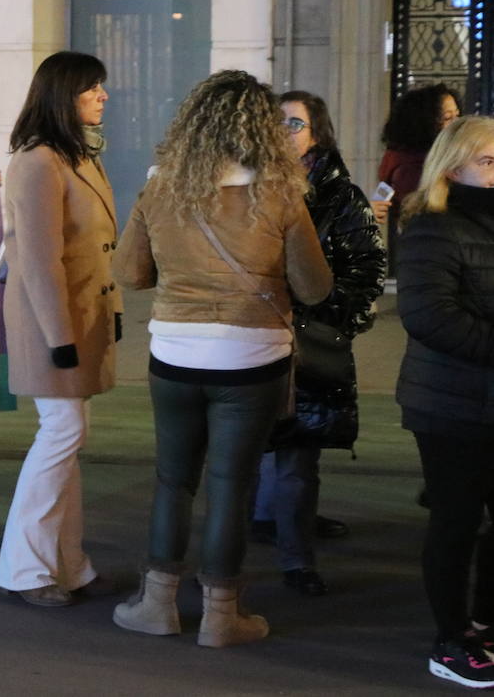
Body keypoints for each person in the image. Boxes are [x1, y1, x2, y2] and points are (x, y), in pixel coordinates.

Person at [111, 70, 331, 647]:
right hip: (252, 359)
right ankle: (221, 616)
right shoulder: (280, 194)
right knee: (231, 485)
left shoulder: (162, 189)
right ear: (262, 129)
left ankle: (157, 604)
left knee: (173, 480)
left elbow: (129, 273)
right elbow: (314, 287)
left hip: (175, 354)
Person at [0, 51, 120, 608]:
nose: (103, 96)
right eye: (92, 88)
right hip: (50, 322)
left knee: (68, 433)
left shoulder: (76, 155)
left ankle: (68, 564)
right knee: (62, 432)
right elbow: (40, 261)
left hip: (79, 317)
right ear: (64, 96)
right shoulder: (38, 161)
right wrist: (60, 339)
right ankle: (26, 568)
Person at [250, 91, 385, 597]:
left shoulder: (339, 195)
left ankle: (296, 560)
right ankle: (252, 534)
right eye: (277, 122)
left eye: (295, 124)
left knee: (298, 455)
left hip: (309, 341)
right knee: (250, 449)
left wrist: (333, 321)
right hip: (251, 338)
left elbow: (366, 266)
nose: (284, 132)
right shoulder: (245, 186)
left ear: (317, 133)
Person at [392, 116, 494, 688]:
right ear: (454, 169)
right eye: (489, 161)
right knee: (457, 521)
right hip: (450, 403)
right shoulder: (433, 227)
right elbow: (430, 316)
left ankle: (485, 622)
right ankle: (450, 639)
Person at [375, 84, 461, 229]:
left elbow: (383, 189)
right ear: (424, 123)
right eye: (447, 118)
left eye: (457, 115)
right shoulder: (413, 167)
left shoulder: (396, 156)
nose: (457, 123)